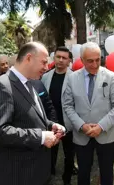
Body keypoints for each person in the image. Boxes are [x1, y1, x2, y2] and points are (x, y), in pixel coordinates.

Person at [0, 42, 66, 185]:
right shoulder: (2, 86)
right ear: (28, 58)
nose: (47, 67)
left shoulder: (30, 83)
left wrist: (52, 125)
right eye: (44, 62)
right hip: (18, 174)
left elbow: (32, 116)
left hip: (37, 171)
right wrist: (40, 137)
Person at [62, 42, 114, 185]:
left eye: (98, 60)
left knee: (107, 173)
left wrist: (101, 126)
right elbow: (67, 105)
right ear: (82, 60)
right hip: (82, 135)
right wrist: (82, 125)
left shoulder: (110, 76)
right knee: (83, 173)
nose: (95, 64)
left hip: (106, 134)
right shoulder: (72, 78)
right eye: (90, 61)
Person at [41, 46, 76, 185]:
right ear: (54, 58)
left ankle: (66, 180)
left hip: (68, 123)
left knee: (69, 155)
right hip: (51, 124)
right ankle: (49, 177)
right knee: (50, 155)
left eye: (64, 58)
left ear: (69, 61)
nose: (60, 60)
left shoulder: (74, 77)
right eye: (58, 57)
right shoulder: (45, 77)